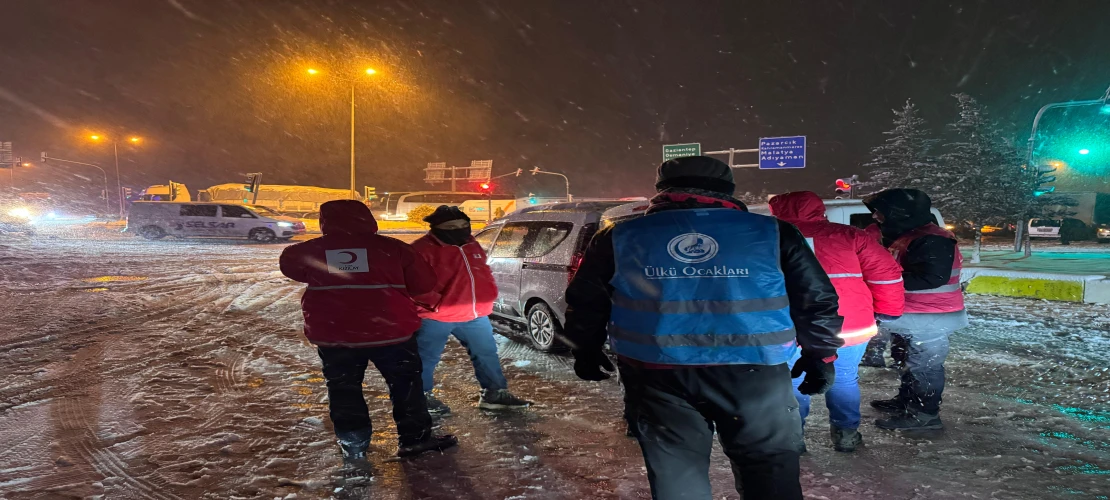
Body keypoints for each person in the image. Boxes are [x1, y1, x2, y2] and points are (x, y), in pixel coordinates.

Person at [564, 156, 844, 500]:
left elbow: (587, 301)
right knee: (768, 468)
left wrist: (586, 348)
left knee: (676, 473)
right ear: (727, 190)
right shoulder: (771, 232)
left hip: (657, 374)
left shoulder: (620, 235)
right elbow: (815, 299)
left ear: (663, 190)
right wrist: (821, 355)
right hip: (755, 374)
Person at [279, 200, 458, 460]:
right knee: (406, 385)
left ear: (324, 221)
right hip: (392, 332)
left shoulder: (307, 252)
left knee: (343, 387)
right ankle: (415, 439)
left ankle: (353, 442)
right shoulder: (394, 249)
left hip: (335, 334)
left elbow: (292, 268)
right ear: (367, 219)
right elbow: (423, 284)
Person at [769, 191, 905, 452]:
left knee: (790, 380)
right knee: (843, 378)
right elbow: (885, 275)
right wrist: (889, 311)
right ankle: (846, 434)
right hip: (848, 324)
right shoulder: (850, 235)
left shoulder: (766, 236)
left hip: (785, 324)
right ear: (819, 208)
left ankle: (792, 438)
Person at [863, 189, 969, 431]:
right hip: (912, 314)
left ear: (899, 213)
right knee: (906, 360)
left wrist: (880, 280)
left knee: (925, 365)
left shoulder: (933, 239)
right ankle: (907, 401)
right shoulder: (911, 235)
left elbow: (932, 277)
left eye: (880, 212)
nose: (876, 217)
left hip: (931, 316)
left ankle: (925, 415)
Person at [409, 205, 531, 414]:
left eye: (464, 225)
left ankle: (494, 394)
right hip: (436, 315)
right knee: (425, 358)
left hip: (475, 314)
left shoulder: (471, 244)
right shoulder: (420, 249)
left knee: (486, 354)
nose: (460, 229)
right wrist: (437, 304)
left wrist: (488, 295)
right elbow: (411, 284)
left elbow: (482, 271)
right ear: (436, 227)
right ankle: (420, 399)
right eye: (451, 226)